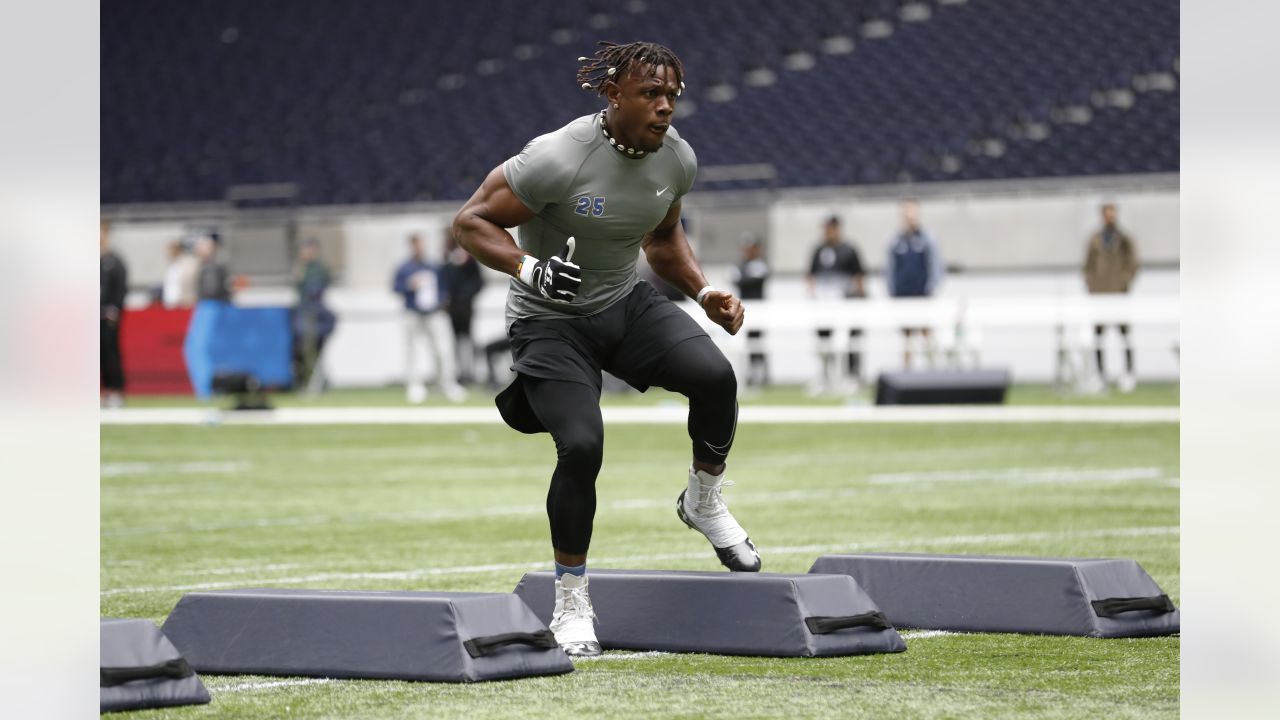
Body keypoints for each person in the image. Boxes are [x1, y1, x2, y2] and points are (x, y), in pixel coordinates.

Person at [452, 41, 756, 658]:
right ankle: (571, 602)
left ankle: (702, 501)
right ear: (613, 95)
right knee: (584, 445)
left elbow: (664, 240)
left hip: (621, 302)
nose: (665, 107)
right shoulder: (557, 156)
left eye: (672, 95)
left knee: (715, 377)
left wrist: (704, 291)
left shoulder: (678, 160)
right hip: (550, 321)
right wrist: (528, 268)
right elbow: (471, 222)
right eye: (651, 94)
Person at [393, 233, 466, 403]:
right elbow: (396, 288)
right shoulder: (404, 267)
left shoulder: (433, 266)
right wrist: (409, 285)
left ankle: (447, 383)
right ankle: (415, 385)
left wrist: (441, 300)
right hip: (413, 312)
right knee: (412, 350)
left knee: (443, 348)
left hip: (434, 313)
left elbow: (443, 288)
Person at [1083, 202, 1139, 392]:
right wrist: (1092, 287)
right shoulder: (1095, 239)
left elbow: (1133, 263)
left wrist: (1124, 282)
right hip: (1100, 294)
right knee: (1098, 335)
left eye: (1112, 214)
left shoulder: (1123, 239)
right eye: (1107, 214)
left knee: (1125, 335)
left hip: (1119, 293)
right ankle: (1100, 375)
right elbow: (1088, 266)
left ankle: (1128, 374)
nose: (1110, 217)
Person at [806, 216, 866, 393]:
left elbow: (858, 275)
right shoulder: (819, 250)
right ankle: (825, 375)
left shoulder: (849, 250)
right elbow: (811, 276)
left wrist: (859, 297)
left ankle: (852, 375)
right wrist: (813, 295)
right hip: (824, 304)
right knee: (824, 339)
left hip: (847, 303)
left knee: (851, 339)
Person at [885, 199, 944, 369]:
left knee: (927, 333)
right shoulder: (895, 240)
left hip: (922, 294)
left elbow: (936, 265)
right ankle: (906, 371)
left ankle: (933, 370)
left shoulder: (927, 238)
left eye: (913, 213)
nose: (910, 217)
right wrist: (892, 290)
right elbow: (889, 268)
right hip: (903, 295)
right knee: (906, 337)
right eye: (907, 213)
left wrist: (932, 287)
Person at [291, 238, 336, 392]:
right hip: (304, 314)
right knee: (304, 351)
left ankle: (316, 384)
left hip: (314, 315)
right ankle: (310, 382)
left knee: (313, 351)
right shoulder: (303, 268)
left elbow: (314, 292)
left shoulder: (318, 269)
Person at [441, 232, 484, 385]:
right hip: (453, 309)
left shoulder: (470, 261)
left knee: (468, 340)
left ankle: (471, 373)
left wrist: (465, 296)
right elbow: (444, 282)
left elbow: (478, 282)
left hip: (466, 308)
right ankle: (459, 373)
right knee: (456, 341)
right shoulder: (447, 261)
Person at [731, 234, 770, 387]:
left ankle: (762, 374)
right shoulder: (740, 265)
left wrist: (744, 279)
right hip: (744, 310)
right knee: (746, 342)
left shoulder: (759, 265)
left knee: (758, 341)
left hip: (759, 309)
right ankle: (749, 374)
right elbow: (737, 281)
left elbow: (752, 280)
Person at [100, 219, 128, 408]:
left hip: (109, 316)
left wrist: (115, 309)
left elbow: (120, 288)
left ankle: (116, 390)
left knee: (111, 353)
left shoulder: (114, 262)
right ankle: (104, 390)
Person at [160, 239, 199, 308]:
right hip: (171, 303)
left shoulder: (189, 262)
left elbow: (191, 280)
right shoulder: (171, 265)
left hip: (185, 302)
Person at [194, 233, 232, 302]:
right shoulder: (206, 265)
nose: (198, 250)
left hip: (211, 304)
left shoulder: (212, 267)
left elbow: (212, 289)